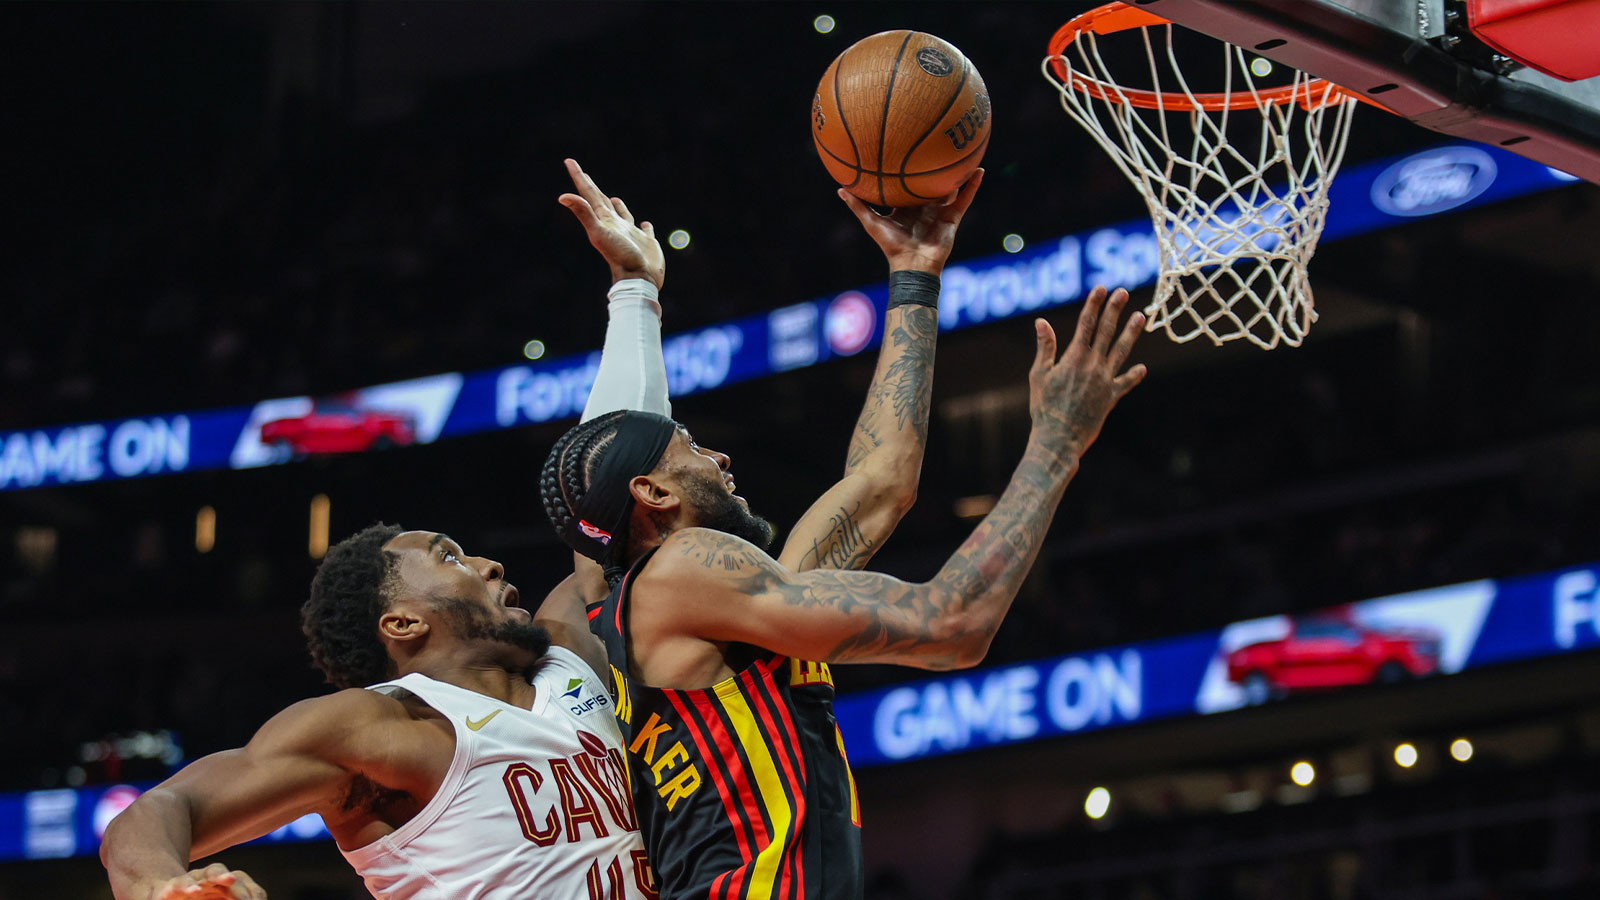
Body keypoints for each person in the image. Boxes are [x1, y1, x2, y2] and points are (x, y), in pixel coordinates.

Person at [99, 159, 672, 900]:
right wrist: (160, 887)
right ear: (402, 622)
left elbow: (608, 480)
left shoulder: (567, 654)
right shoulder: (385, 728)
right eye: (449, 557)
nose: (490, 565)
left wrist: (634, 292)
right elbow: (160, 810)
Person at [540, 201, 1149, 898]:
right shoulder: (679, 571)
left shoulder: (676, 609)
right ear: (652, 494)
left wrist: (914, 274)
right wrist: (1055, 446)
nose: (719, 456)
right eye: (692, 448)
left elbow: (882, 481)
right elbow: (953, 624)